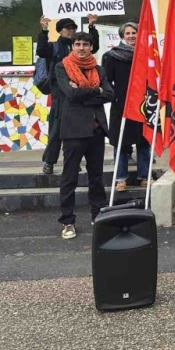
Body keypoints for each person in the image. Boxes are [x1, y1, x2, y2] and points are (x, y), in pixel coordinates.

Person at [54, 31, 114, 239]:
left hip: (96, 130)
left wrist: (83, 91)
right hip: (73, 130)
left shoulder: (98, 69)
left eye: (85, 45)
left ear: (91, 47)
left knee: (96, 177)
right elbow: (70, 94)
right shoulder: (62, 67)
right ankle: (67, 221)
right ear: (72, 46)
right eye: (77, 44)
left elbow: (110, 94)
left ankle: (98, 215)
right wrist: (96, 91)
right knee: (69, 177)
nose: (81, 48)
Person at [37, 14, 99, 175]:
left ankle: (73, 161)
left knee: (75, 130)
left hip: (77, 93)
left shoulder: (78, 47)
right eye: (68, 29)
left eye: (73, 28)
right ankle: (49, 162)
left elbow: (94, 46)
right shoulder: (54, 47)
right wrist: (44, 30)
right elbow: (41, 51)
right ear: (60, 31)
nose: (71, 31)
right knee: (57, 129)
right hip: (60, 94)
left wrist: (92, 27)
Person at [102, 22, 150, 192]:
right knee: (120, 142)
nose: (131, 36)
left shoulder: (146, 54)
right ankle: (120, 179)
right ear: (122, 35)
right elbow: (105, 80)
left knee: (144, 141)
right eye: (127, 33)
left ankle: (144, 176)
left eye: (134, 32)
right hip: (121, 105)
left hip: (144, 104)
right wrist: (116, 95)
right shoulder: (112, 56)